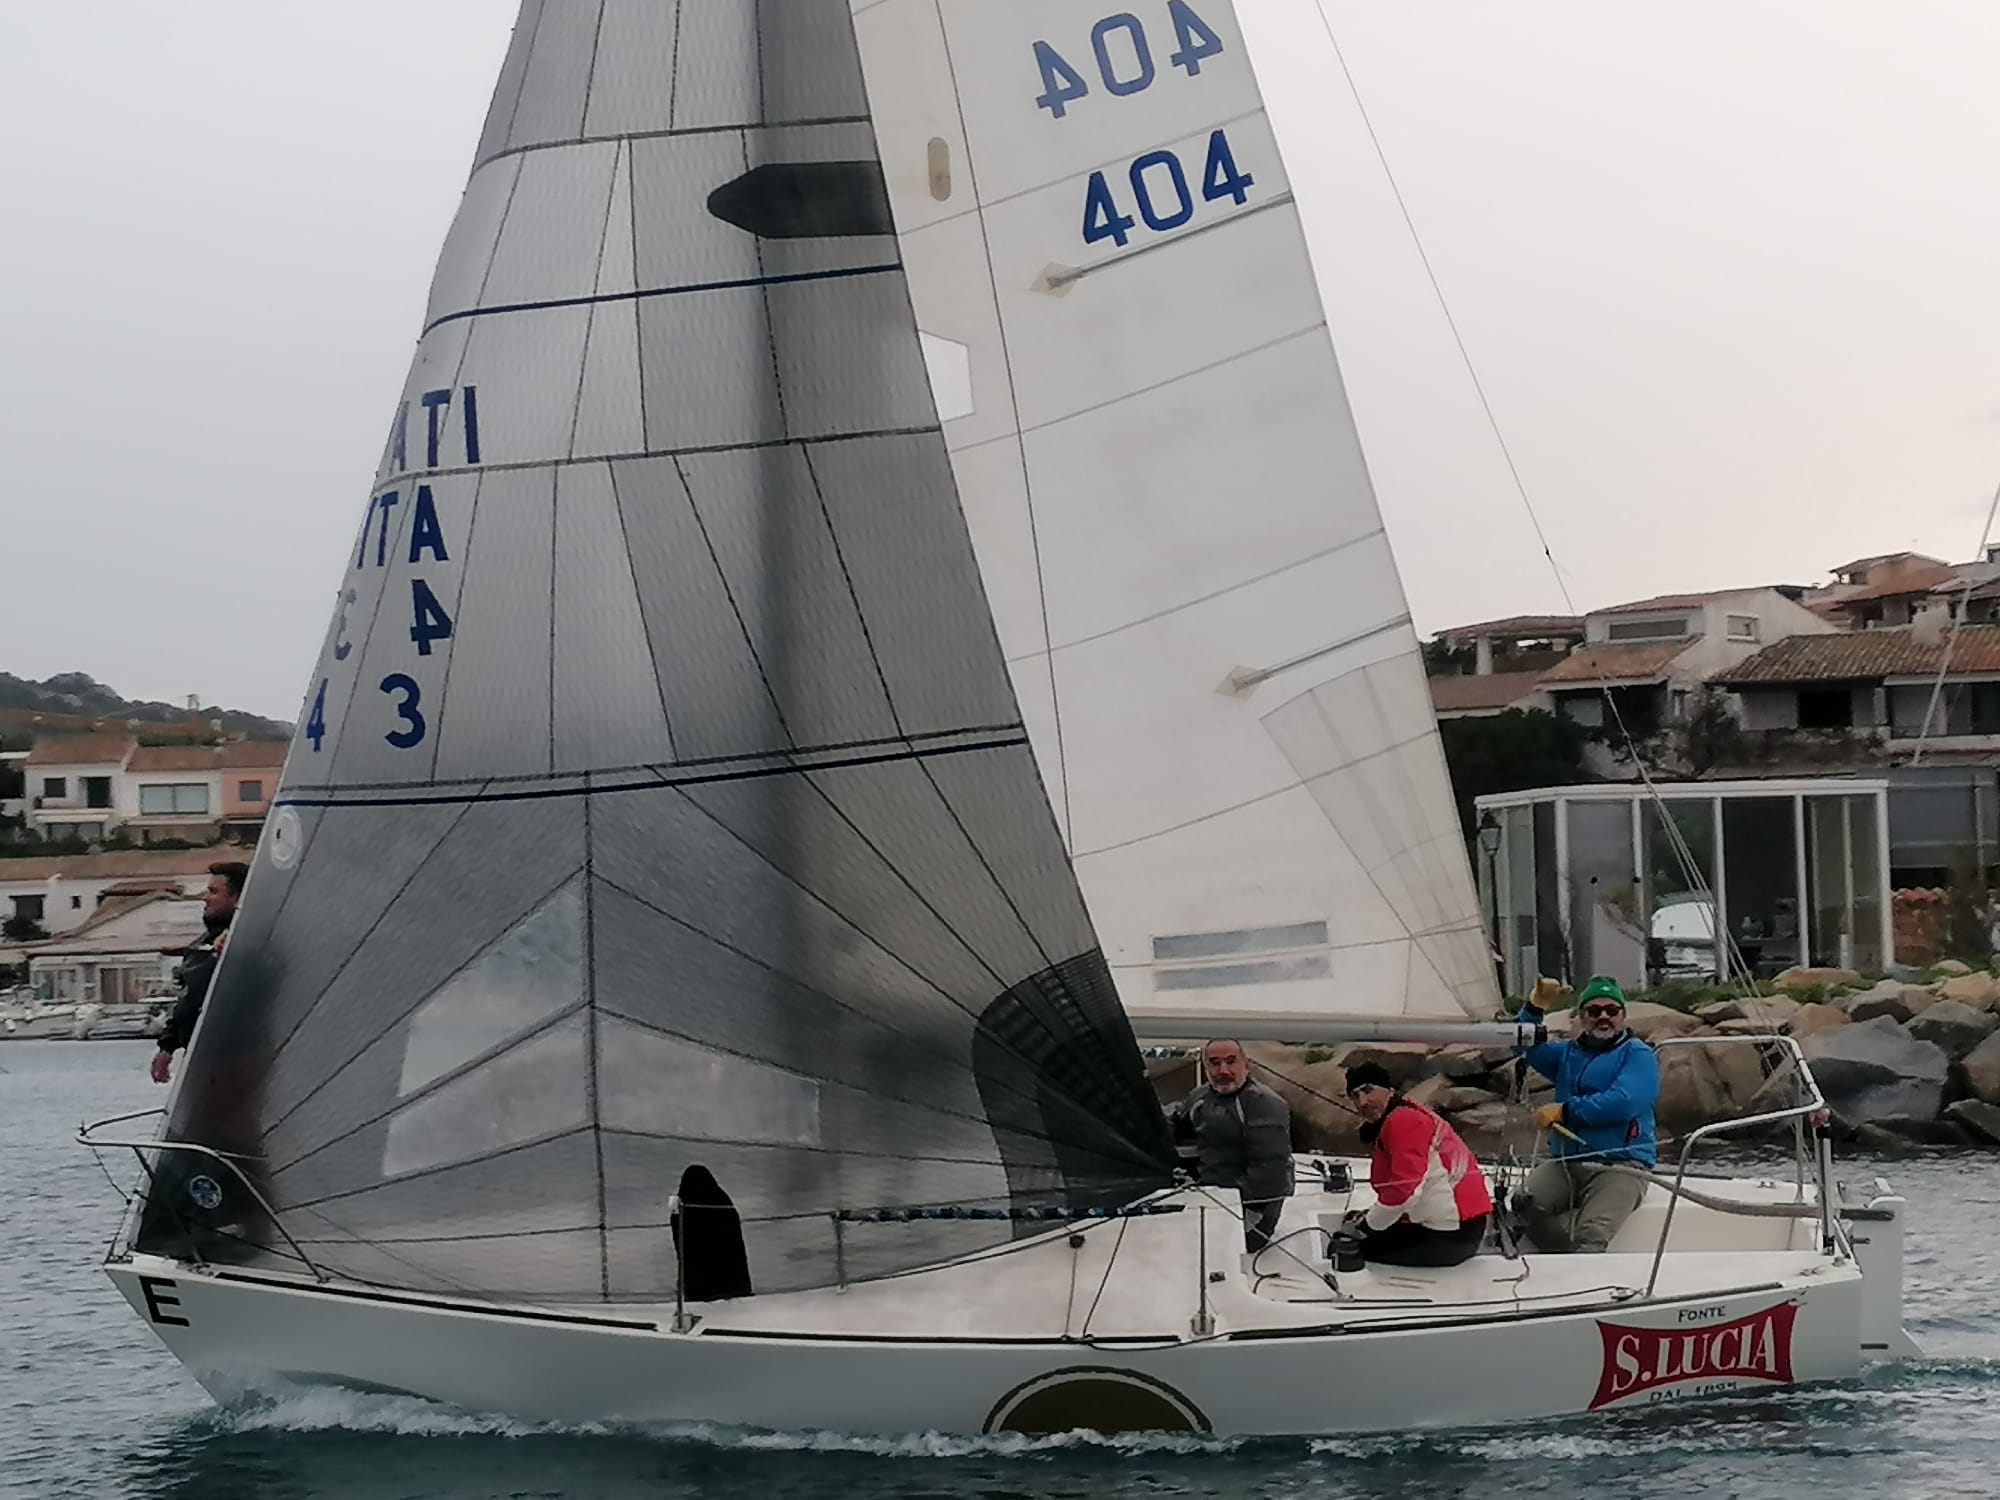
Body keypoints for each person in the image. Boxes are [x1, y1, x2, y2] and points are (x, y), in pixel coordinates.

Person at [1511, 974, 1660, 1253]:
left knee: (1591, 1233)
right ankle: (1560, 1259)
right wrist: (1534, 1007)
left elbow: (1624, 1101)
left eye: (1611, 1010)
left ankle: (1578, 1274)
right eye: (1593, 1011)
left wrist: (1566, 1111)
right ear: (1581, 1016)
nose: (1603, 1016)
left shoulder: (1637, 1054)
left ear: (1623, 1015)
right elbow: (1522, 1043)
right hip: (1566, 1161)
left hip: (1621, 1166)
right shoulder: (1567, 1053)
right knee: (1522, 1204)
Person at [1340, 1062, 1492, 1267]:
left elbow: (1404, 1191)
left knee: (1358, 1249)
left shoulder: (1403, 1121)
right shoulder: (1406, 1114)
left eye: (1368, 1091)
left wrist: (1367, 1226)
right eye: (1355, 1097)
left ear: (1389, 1090)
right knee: (1366, 1232)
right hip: (1454, 1227)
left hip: (1451, 1236)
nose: (1362, 1102)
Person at [1169, 1038, 1294, 1250]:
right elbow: (1175, 1125)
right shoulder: (1200, 1096)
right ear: (1206, 1067)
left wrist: (1231, 1208)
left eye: (1230, 1061)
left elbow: (1270, 1173)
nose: (1223, 1070)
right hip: (1208, 1189)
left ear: (1247, 1065)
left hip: (1253, 1205)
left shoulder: (1264, 1104)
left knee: (1207, 1248)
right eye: (1214, 1063)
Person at [150, 860, 248, 1084]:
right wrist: (167, 1048)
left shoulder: (252, 941)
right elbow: (186, 1002)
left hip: (239, 1061)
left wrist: (239, 941)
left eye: (213, 892)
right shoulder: (198, 947)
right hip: (201, 1063)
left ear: (238, 899)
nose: (205, 898)